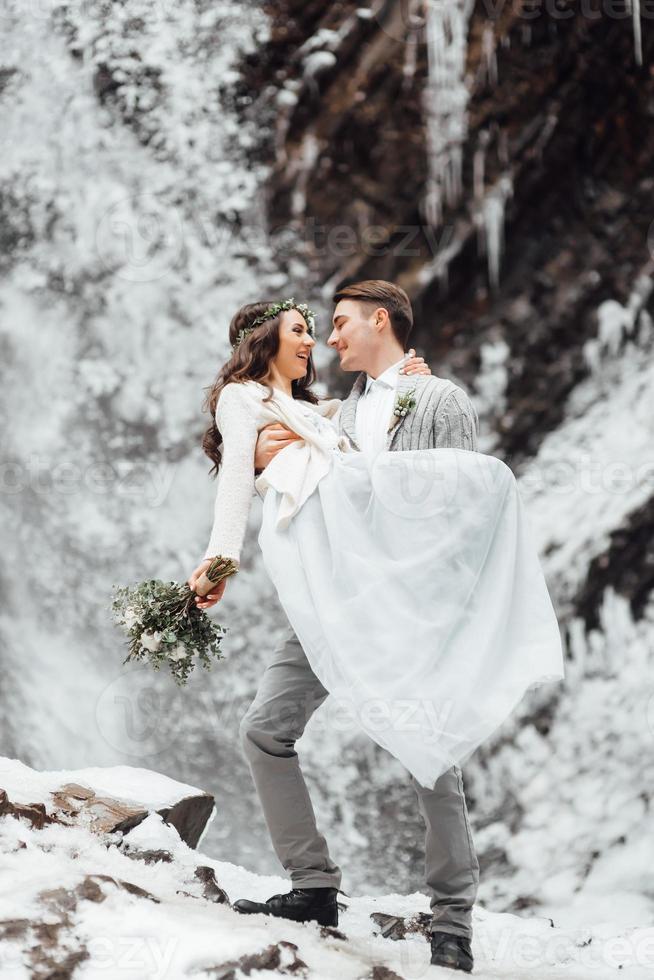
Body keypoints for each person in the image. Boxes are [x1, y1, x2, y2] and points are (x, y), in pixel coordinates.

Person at [188, 282, 564, 974]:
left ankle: (452, 919)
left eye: (336, 325)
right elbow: (281, 457)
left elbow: (462, 507)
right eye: (314, 329)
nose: (328, 340)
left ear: (379, 322)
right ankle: (313, 887)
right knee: (266, 728)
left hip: (410, 605)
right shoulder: (337, 410)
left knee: (429, 743)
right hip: (330, 602)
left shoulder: (439, 398)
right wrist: (244, 504)